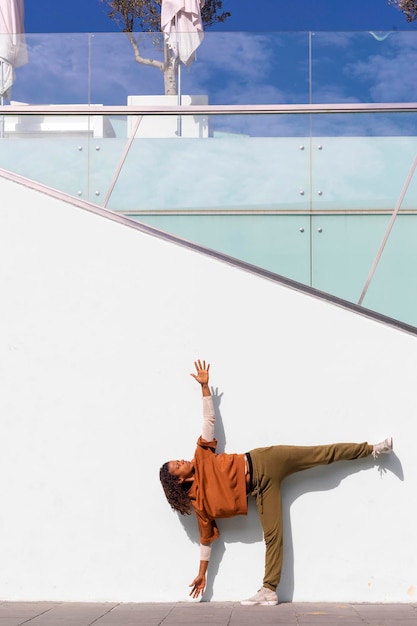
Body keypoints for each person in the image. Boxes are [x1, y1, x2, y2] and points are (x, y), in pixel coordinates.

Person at [159, 360, 393, 606]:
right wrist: (201, 574)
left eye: (178, 459)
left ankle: (373, 450)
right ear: (180, 479)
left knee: (321, 454)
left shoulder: (201, 456)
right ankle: (269, 590)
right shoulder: (200, 507)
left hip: (265, 459)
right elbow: (206, 542)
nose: (183, 460)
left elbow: (208, 420)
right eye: (178, 464)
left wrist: (205, 387)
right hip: (261, 489)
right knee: (273, 536)